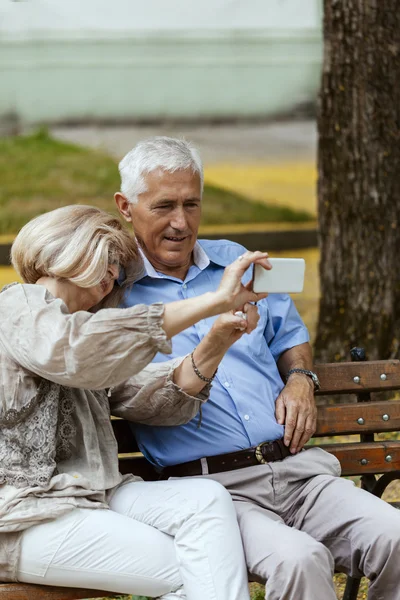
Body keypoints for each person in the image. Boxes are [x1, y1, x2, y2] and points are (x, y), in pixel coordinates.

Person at [115, 136, 400, 600]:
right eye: (164, 206)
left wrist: (301, 381)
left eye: (192, 204)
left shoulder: (236, 259)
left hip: (299, 473)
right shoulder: (114, 294)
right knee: (300, 560)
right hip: (213, 493)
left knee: (396, 535)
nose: (181, 223)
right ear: (126, 206)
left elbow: (290, 337)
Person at [0, 204, 271, 600]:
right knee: (198, 569)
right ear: (72, 251)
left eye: (117, 269)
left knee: (207, 500)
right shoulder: (18, 307)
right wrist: (214, 300)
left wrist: (216, 343)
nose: (114, 277)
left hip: (96, 494)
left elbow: (147, 396)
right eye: (108, 260)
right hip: (25, 516)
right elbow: (70, 350)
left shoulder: (87, 332)